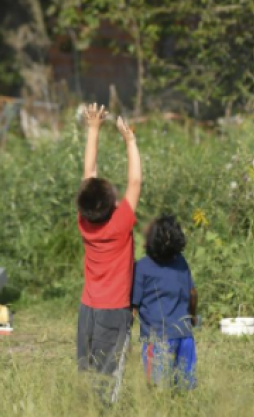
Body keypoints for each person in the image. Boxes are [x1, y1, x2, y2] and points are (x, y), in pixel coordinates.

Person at [76, 103, 142, 404]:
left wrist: (93, 128)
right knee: (108, 372)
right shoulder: (121, 224)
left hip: (88, 307)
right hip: (114, 310)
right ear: (112, 202)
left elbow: (89, 172)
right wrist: (130, 141)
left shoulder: (84, 222)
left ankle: (89, 407)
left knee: (89, 368)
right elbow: (136, 182)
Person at [131, 215, 198, 390]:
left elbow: (133, 307)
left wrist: (124, 332)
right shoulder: (181, 261)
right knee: (185, 389)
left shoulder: (142, 268)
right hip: (185, 336)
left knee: (157, 390)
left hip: (157, 339)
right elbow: (192, 293)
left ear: (149, 241)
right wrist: (193, 316)